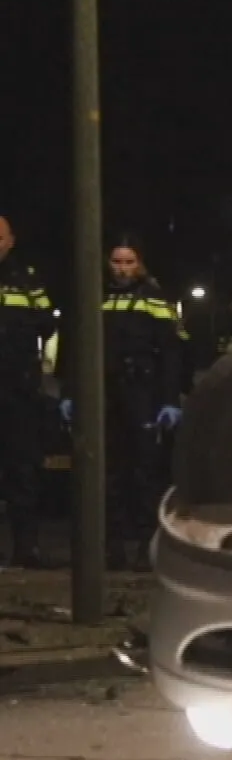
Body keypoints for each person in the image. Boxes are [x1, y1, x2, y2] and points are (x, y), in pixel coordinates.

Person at [55, 235, 185, 571]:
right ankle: (111, 548)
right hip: (104, 393)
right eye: (117, 261)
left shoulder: (155, 298)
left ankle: (147, 547)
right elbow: (75, 347)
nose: (123, 268)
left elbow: (172, 352)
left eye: (129, 261)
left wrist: (170, 399)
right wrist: (69, 391)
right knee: (107, 473)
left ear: (139, 263)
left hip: (143, 393)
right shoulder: (94, 296)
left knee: (145, 473)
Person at [0, 215, 56, 568]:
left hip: (18, 388)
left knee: (22, 469)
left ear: (10, 240)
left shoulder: (27, 282)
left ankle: (26, 547)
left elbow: (48, 322)